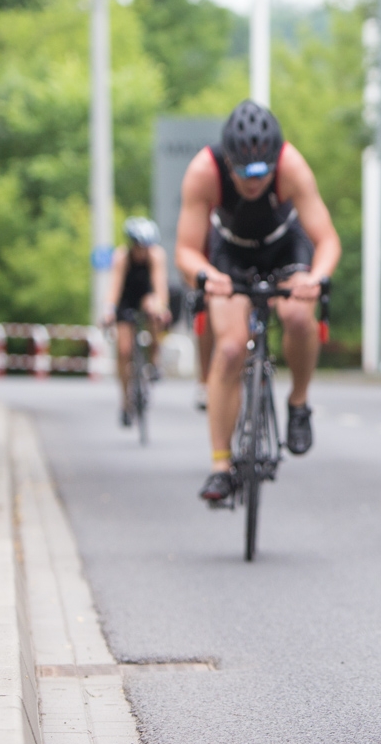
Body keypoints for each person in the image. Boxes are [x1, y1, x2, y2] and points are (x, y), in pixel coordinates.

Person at [174, 100, 342, 504]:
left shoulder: (291, 166)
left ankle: (298, 402)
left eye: (262, 173)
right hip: (230, 253)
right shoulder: (203, 171)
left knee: (298, 316)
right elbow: (185, 250)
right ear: (227, 162)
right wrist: (206, 276)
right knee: (230, 348)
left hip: (285, 247)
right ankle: (220, 466)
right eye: (244, 174)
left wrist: (316, 279)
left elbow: (327, 241)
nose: (254, 183)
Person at [102, 216, 171, 426]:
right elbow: (115, 286)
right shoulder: (122, 257)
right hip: (126, 298)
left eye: (146, 247)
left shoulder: (156, 255)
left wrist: (162, 308)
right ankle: (126, 401)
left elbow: (159, 285)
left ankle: (154, 359)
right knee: (124, 351)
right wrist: (109, 310)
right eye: (139, 247)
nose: (143, 251)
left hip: (146, 296)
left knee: (154, 310)